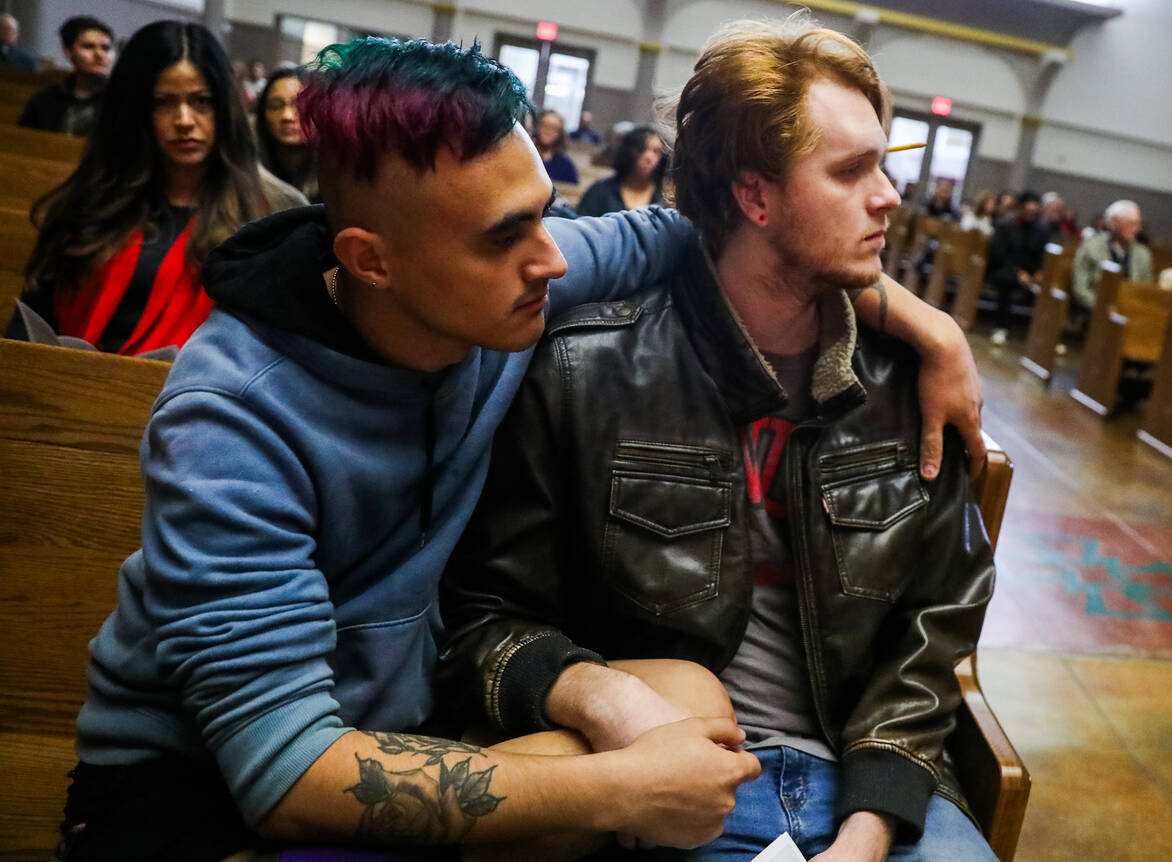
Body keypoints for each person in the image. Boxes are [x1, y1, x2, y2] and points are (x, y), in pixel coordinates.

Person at [56, 35, 985, 861]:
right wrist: (625, 790)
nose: (552, 260)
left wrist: (929, 330)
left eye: (544, 215)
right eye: (510, 236)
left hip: (402, 723)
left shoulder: (503, 283)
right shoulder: (231, 415)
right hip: (199, 792)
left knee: (685, 695)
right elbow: (282, 774)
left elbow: (713, 243)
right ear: (370, 260)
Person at [439, 16, 997, 862]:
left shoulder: (908, 380)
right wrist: (621, 719)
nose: (888, 196)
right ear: (755, 195)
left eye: (884, 165)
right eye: (851, 172)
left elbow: (932, 629)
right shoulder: (587, 370)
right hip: (668, 783)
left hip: (878, 781)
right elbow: (489, 622)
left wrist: (870, 825)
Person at [13, 21, 303, 355]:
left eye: (201, 101)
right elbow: (32, 318)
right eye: (163, 102)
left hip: (205, 401)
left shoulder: (273, 207)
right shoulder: (92, 198)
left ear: (224, 107)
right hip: (73, 389)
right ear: (137, 109)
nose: (183, 120)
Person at [17, 16, 112, 136]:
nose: (100, 55)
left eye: (106, 48)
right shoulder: (44, 101)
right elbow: (24, 142)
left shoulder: (123, 100)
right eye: (88, 47)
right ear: (68, 52)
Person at [985, 190, 1048, 344]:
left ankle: (1042, 336)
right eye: (1028, 210)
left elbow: (1040, 256)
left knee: (1052, 291)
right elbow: (999, 255)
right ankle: (1001, 327)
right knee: (1006, 282)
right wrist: (1018, 272)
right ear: (1020, 208)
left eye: (1034, 212)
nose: (1030, 214)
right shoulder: (1005, 227)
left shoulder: (1040, 232)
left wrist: (1039, 271)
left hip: (1029, 274)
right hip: (1004, 270)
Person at [1070, 199, 1153, 311]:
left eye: (1138, 223)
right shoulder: (1091, 247)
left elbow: (1145, 290)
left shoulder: (1143, 254)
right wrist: (1103, 308)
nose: (1137, 229)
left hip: (1129, 312)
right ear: (1114, 223)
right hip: (1093, 310)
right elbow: (1080, 288)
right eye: (1131, 224)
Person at [256, 66, 319, 201]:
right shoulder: (249, 173)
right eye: (275, 106)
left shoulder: (334, 179)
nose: (287, 116)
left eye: (299, 105)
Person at [576, 124, 664, 216]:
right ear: (628, 152)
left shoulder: (664, 197)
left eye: (656, 151)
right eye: (641, 149)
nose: (648, 157)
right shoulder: (600, 190)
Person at [534, 108, 579, 183]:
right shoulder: (525, 156)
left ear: (560, 134)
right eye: (545, 126)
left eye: (554, 128)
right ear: (538, 127)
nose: (548, 131)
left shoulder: (566, 166)